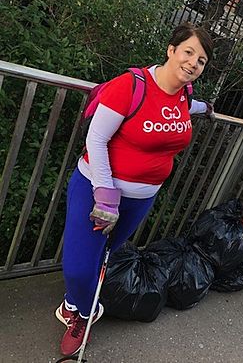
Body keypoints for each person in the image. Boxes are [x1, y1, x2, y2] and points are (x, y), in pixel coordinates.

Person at [56, 23, 214, 356]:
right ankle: (86, 313)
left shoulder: (184, 95)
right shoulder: (131, 86)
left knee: (103, 254)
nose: (193, 64)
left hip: (140, 200)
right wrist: (105, 194)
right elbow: (96, 140)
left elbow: (188, 108)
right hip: (97, 190)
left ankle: (74, 305)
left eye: (201, 61)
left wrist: (206, 109)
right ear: (171, 50)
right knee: (78, 266)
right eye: (188, 52)